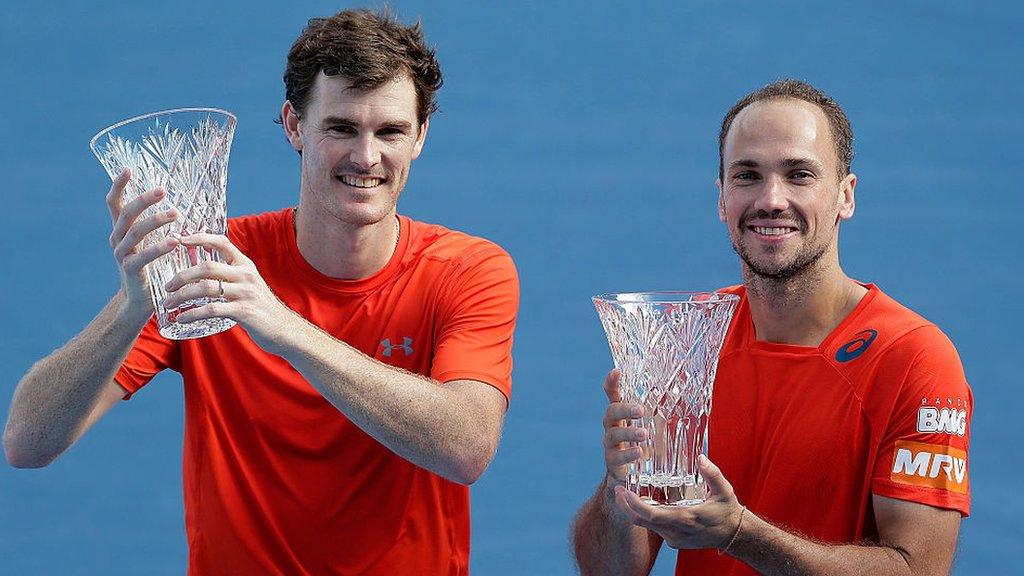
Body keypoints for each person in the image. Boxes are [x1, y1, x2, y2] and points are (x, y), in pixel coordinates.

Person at [4, 8, 518, 575]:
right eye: (341, 128)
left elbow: (468, 447)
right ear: (295, 126)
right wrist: (132, 306)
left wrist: (283, 326)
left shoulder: (468, 269)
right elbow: (26, 443)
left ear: (420, 136)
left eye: (390, 131)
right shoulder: (211, 265)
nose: (366, 157)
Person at [572, 79, 971, 575]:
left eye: (799, 174)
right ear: (721, 199)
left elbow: (920, 571)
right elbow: (608, 571)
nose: (772, 199)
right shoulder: (686, 338)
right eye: (748, 175)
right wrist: (618, 488)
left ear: (845, 196)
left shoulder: (914, 359)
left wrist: (740, 533)